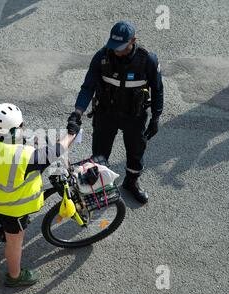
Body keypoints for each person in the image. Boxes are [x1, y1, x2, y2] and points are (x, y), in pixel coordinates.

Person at [0, 103, 79, 287]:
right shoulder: (25, 157)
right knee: (15, 241)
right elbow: (58, 150)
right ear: (16, 128)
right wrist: (72, 133)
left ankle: (1, 228)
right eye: (21, 125)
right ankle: (15, 276)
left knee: (5, 226)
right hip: (12, 207)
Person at [68, 20, 164, 204]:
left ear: (133, 41)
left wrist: (156, 117)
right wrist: (77, 113)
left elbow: (158, 89)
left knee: (136, 153)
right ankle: (98, 187)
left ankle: (131, 182)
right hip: (106, 114)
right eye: (114, 46)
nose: (116, 51)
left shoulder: (147, 60)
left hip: (134, 117)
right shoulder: (102, 57)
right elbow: (87, 87)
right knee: (99, 155)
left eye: (121, 47)